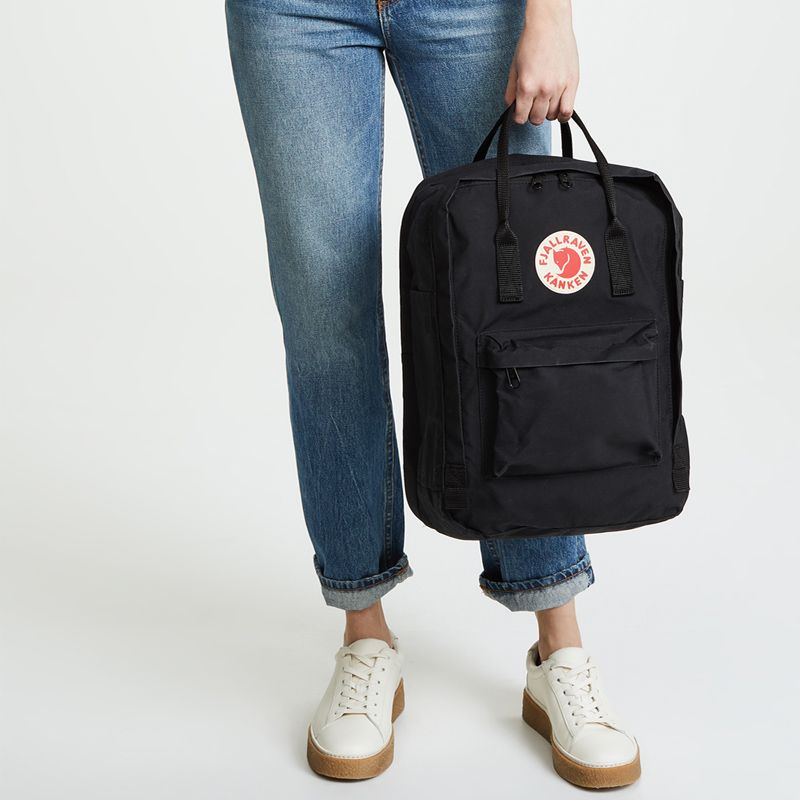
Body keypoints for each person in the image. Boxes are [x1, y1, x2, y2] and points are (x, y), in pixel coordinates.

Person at [226, 0, 640, 788]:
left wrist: (551, 16)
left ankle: (558, 645)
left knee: (515, 309)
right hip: (294, 14)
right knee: (326, 313)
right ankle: (364, 634)